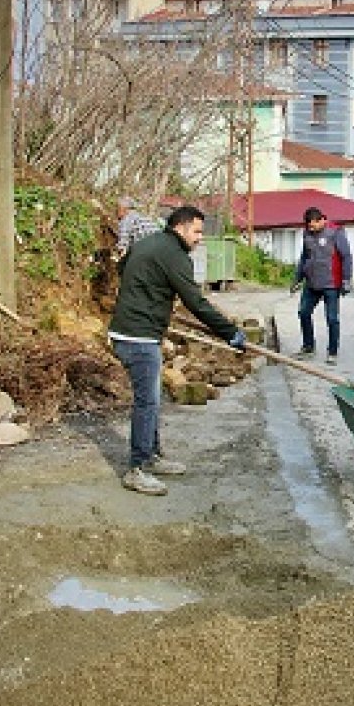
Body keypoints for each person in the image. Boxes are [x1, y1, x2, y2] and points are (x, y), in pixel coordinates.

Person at [108, 204, 247, 496]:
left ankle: (152, 456)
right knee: (147, 402)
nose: (199, 238)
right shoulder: (175, 256)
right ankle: (136, 469)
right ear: (180, 227)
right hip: (138, 336)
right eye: (196, 231)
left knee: (153, 398)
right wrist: (230, 332)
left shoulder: (148, 243)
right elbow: (196, 303)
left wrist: (153, 296)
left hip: (131, 331)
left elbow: (125, 270)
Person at [290, 206, 353, 365]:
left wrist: (346, 280)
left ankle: (332, 352)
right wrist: (297, 279)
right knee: (303, 313)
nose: (310, 229)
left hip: (331, 284)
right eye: (308, 226)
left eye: (313, 225)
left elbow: (346, 257)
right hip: (311, 283)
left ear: (321, 220)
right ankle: (308, 346)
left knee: (332, 319)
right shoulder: (307, 234)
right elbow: (304, 258)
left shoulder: (335, 233)